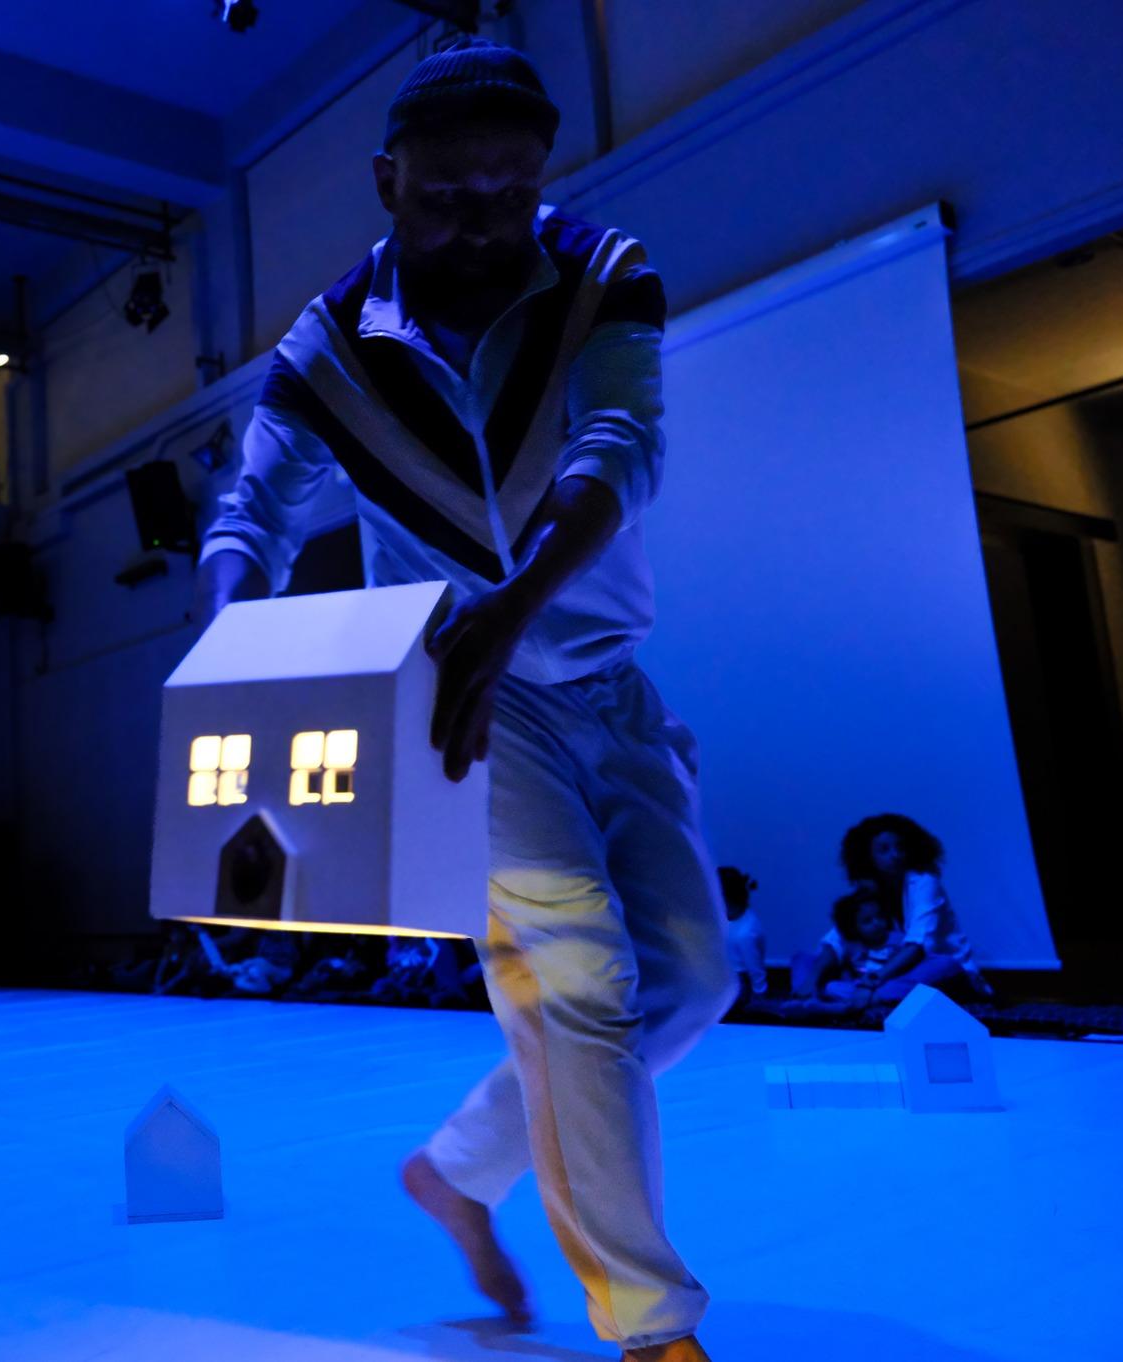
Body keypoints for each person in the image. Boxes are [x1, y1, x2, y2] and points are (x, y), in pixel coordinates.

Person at [195, 39, 732, 1360]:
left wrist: (521, 600)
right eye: (444, 196)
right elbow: (253, 510)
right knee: (575, 971)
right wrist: (225, 640)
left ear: (542, 172)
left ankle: (455, 1169)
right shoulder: (328, 345)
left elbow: (621, 443)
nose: (482, 221)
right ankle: (651, 1326)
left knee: (689, 982)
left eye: (510, 190)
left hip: (606, 683)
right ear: (386, 181)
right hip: (457, 702)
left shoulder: (603, 273)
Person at [840, 814, 992, 999]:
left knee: (944, 965)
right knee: (813, 964)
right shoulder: (871, 887)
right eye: (884, 850)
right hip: (897, 971)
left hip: (940, 970)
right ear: (868, 856)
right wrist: (814, 978)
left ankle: (860, 997)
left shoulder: (924, 882)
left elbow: (917, 946)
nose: (895, 855)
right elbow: (836, 938)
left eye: (900, 847)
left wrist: (874, 980)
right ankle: (861, 996)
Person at [789, 887, 962, 1010]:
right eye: (867, 921)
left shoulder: (895, 939)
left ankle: (849, 1005)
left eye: (880, 917)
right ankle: (806, 998)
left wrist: (872, 985)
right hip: (856, 988)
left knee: (941, 966)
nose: (877, 923)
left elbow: (907, 963)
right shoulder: (854, 946)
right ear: (854, 928)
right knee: (812, 968)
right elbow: (841, 962)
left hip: (886, 984)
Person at [719, 868, 767, 999]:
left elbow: (755, 967)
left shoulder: (746, 933)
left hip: (737, 979)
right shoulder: (728, 919)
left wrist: (759, 990)